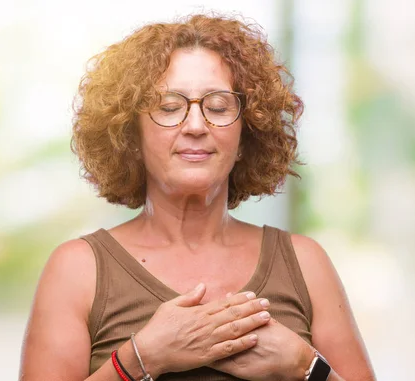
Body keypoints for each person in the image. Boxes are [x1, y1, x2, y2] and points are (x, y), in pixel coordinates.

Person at [20, 13, 375, 381]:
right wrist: (141, 360)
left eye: (218, 107)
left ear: (245, 135)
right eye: (169, 107)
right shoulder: (77, 270)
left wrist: (304, 366)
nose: (195, 125)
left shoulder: (305, 263)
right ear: (131, 137)